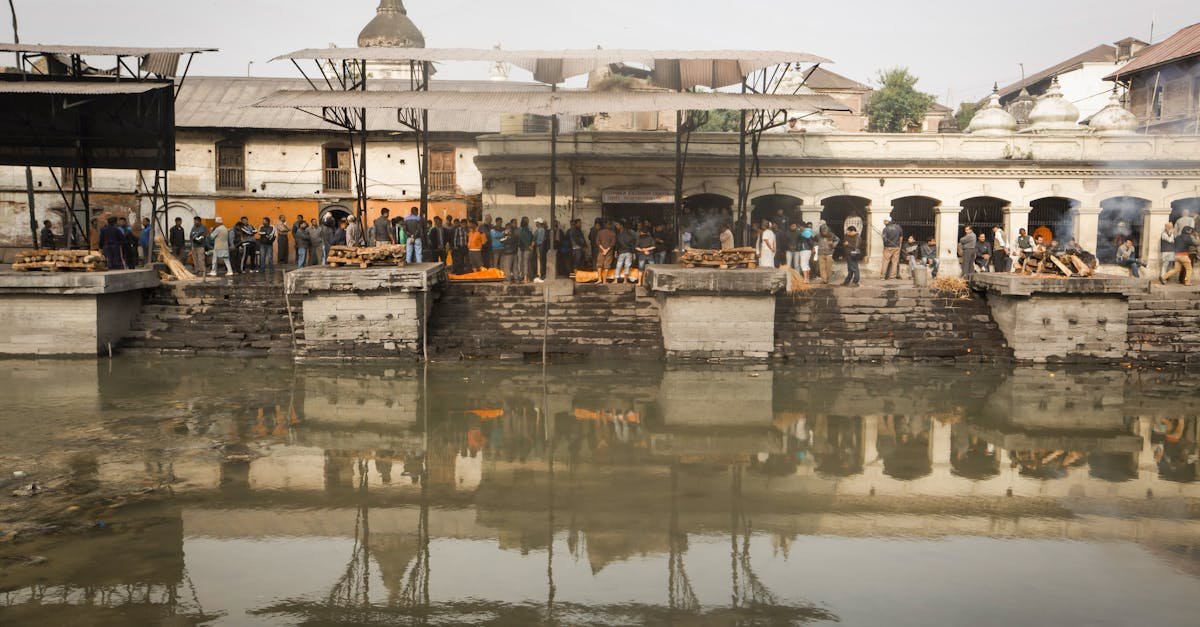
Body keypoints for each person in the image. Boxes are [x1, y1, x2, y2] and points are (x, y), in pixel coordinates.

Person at [533, 217, 549, 282]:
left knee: (541, 261)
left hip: (540, 246)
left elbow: (540, 240)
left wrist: (535, 243)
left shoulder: (540, 230)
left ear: (539, 223)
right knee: (541, 261)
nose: (535, 224)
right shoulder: (540, 229)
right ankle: (542, 275)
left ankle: (542, 275)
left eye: (536, 222)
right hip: (541, 246)